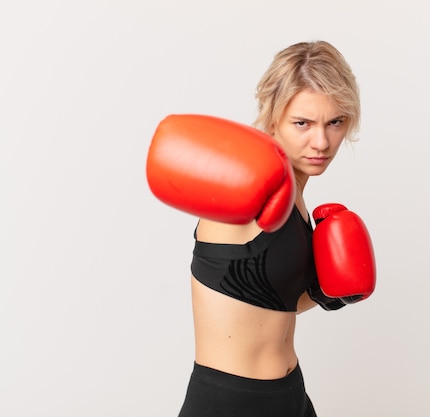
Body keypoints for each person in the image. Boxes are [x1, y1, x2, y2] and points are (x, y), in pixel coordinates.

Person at [146, 40, 376, 417]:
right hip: (230, 404)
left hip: (291, 396)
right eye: (302, 123)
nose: (321, 142)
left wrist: (323, 293)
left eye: (335, 122)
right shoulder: (247, 186)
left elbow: (270, 301)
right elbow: (179, 155)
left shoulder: (295, 195)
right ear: (272, 116)